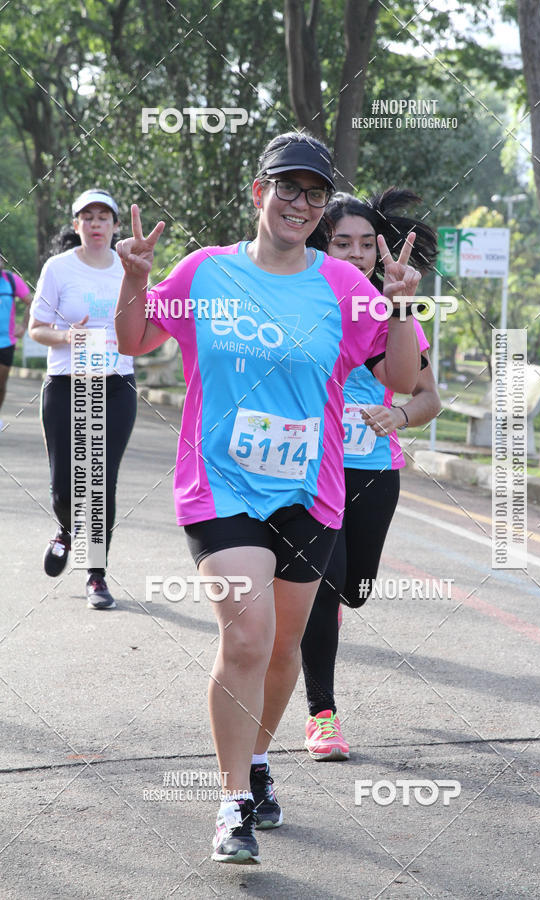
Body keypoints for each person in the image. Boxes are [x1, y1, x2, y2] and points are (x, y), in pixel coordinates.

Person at [114, 132, 422, 865]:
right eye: (288, 187)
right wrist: (135, 278)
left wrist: (402, 307)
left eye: (315, 194)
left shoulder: (344, 286)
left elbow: (404, 380)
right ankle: (231, 806)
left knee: (283, 648)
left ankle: (255, 761)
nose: (300, 204)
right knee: (247, 639)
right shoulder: (205, 271)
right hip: (219, 483)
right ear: (259, 193)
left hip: (310, 489)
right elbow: (133, 340)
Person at [301, 189, 441, 760]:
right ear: (320, 245)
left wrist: (398, 416)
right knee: (322, 585)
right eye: (342, 243)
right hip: (311, 470)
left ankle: (324, 603)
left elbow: (426, 396)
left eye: (365, 244)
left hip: (373, 470)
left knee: (354, 589)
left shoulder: (394, 312)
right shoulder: (301, 302)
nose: (356, 254)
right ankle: (322, 715)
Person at [29, 189, 137, 610]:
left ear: (114, 226)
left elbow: (144, 319)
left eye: (103, 217)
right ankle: (66, 528)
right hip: (66, 383)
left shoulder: (128, 269)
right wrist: (66, 337)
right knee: (64, 488)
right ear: (76, 225)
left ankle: (96, 574)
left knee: (100, 481)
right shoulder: (58, 268)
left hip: (116, 384)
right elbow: (36, 328)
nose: (95, 224)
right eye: (87, 217)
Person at [0, 248, 32, 430]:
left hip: (6, 342)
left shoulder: (11, 280)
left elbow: (31, 302)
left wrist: (24, 325)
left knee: (1, 382)